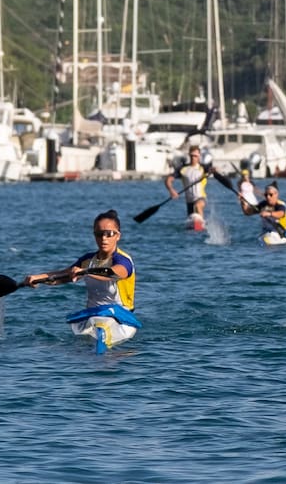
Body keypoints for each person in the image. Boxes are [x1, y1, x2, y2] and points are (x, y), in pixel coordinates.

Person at [21, 209, 141, 352]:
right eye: (99, 234)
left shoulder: (124, 261)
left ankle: (102, 340)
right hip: (93, 315)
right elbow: (61, 277)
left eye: (109, 234)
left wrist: (86, 272)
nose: (104, 238)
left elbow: (112, 273)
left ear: (118, 236)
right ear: (94, 235)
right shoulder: (87, 260)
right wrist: (37, 278)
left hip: (121, 317)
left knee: (101, 332)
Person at [164, 146, 210, 229]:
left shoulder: (204, 168)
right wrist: (171, 190)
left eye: (195, 156)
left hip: (201, 197)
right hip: (189, 201)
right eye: (192, 156)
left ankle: (202, 226)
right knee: (191, 227)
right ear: (189, 155)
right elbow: (168, 180)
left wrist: (215, 170)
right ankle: (196, 228)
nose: (193, 158)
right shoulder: (183, 169)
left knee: (197, 206)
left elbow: (216, 172)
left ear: (199, 156)